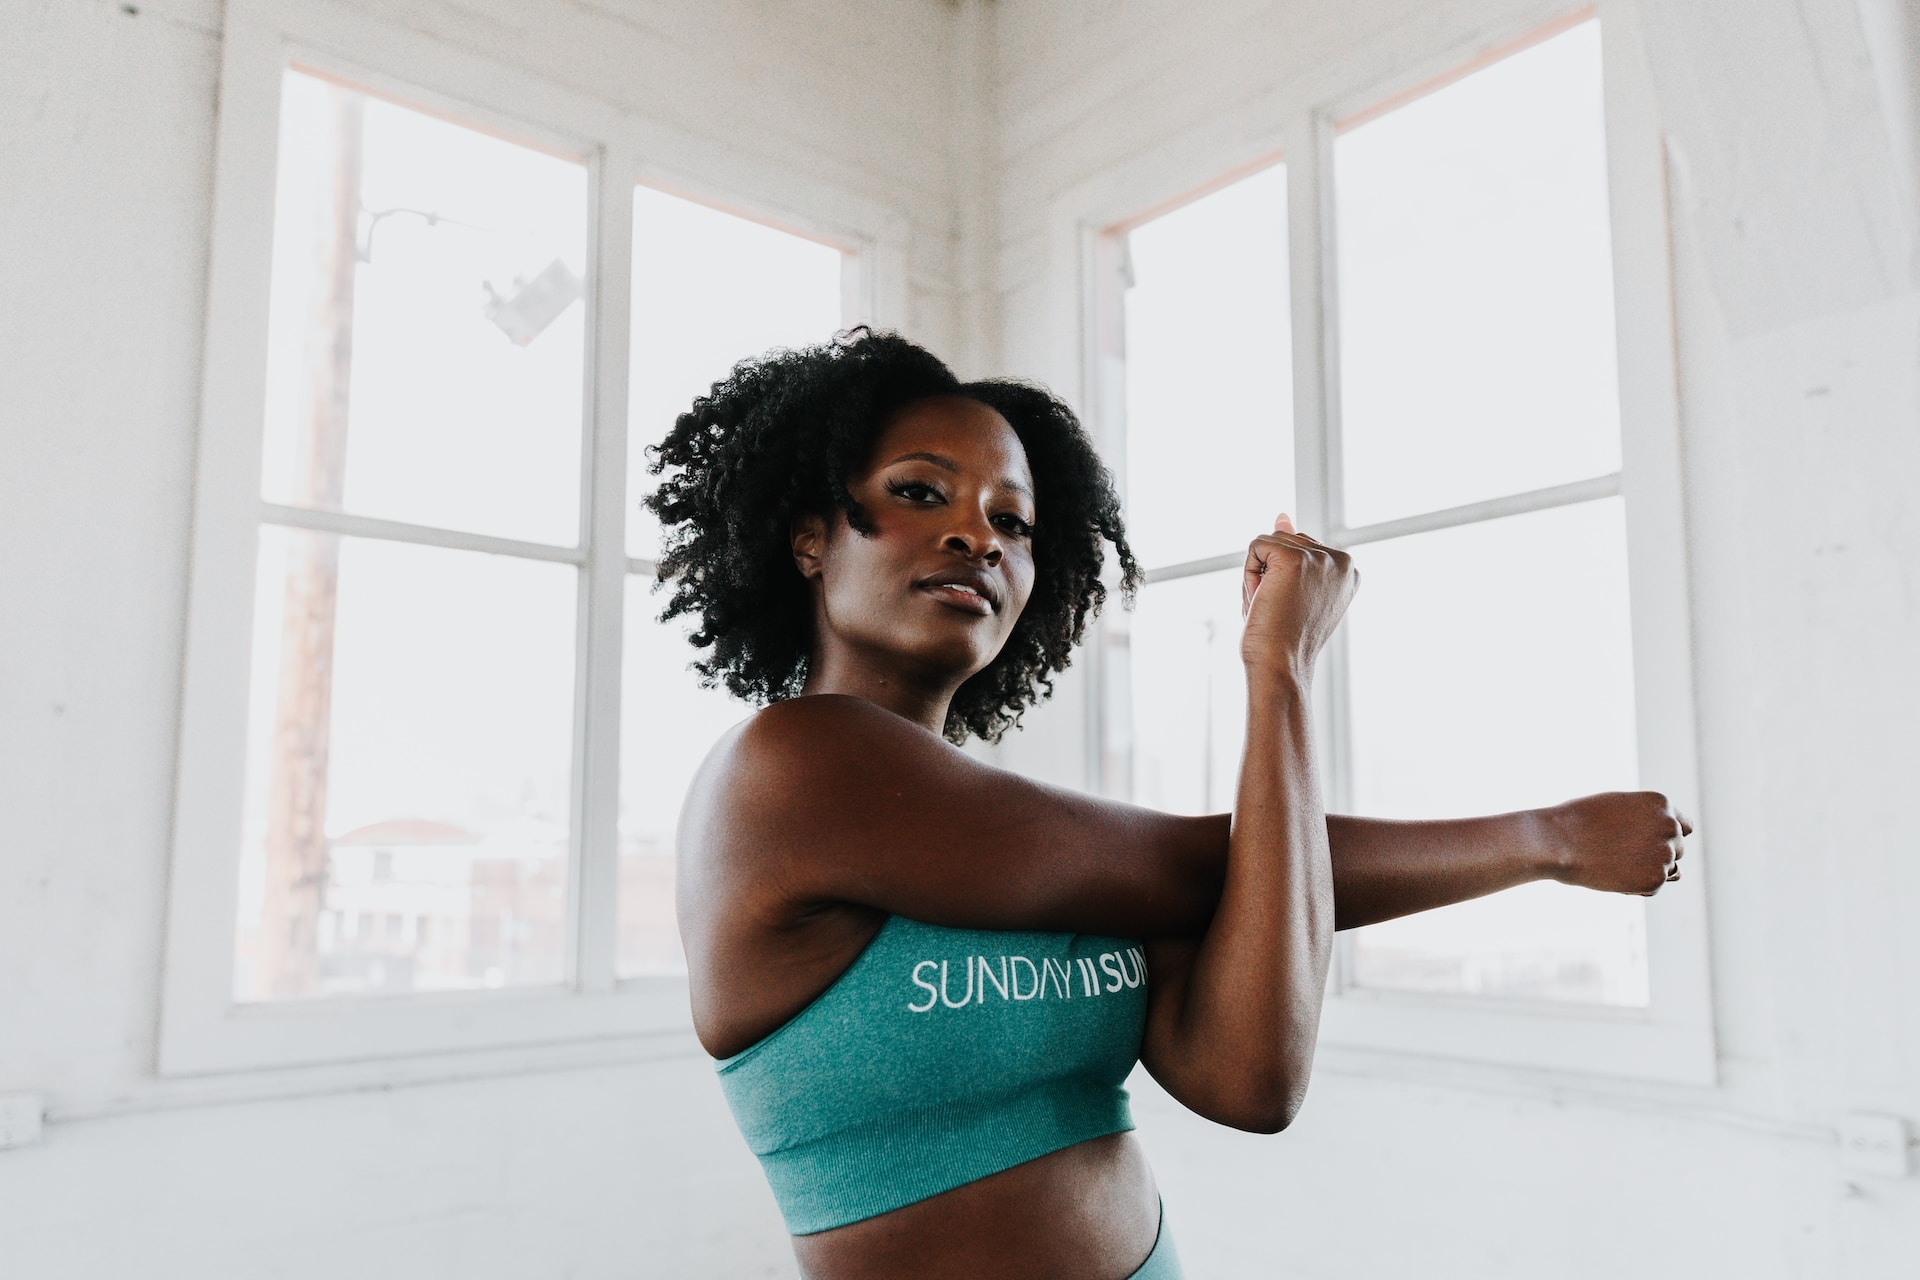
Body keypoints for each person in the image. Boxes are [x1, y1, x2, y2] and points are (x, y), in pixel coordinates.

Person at [651, 329, 1688, 1280]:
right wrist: (1287, 670)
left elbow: (1252, 1078)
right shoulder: (793, 767)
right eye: (923, 492)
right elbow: (1213, 866)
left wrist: (1287, 688)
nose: (978, 535)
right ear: (807, 539)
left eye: (1012, 520)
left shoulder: (1033, 845)